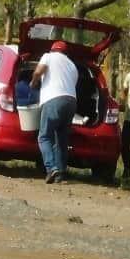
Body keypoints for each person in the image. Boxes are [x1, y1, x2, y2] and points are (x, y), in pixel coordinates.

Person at [31, 40, 78, 184]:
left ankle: (51, 168)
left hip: (53, 99)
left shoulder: (48, 56)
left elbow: (39, 71)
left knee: (44, 136)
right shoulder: (72, 65)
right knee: (62, 139)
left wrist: (33, 82)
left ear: (52, 50)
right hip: (71, 102)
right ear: (65, 52)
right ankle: (61, 173)